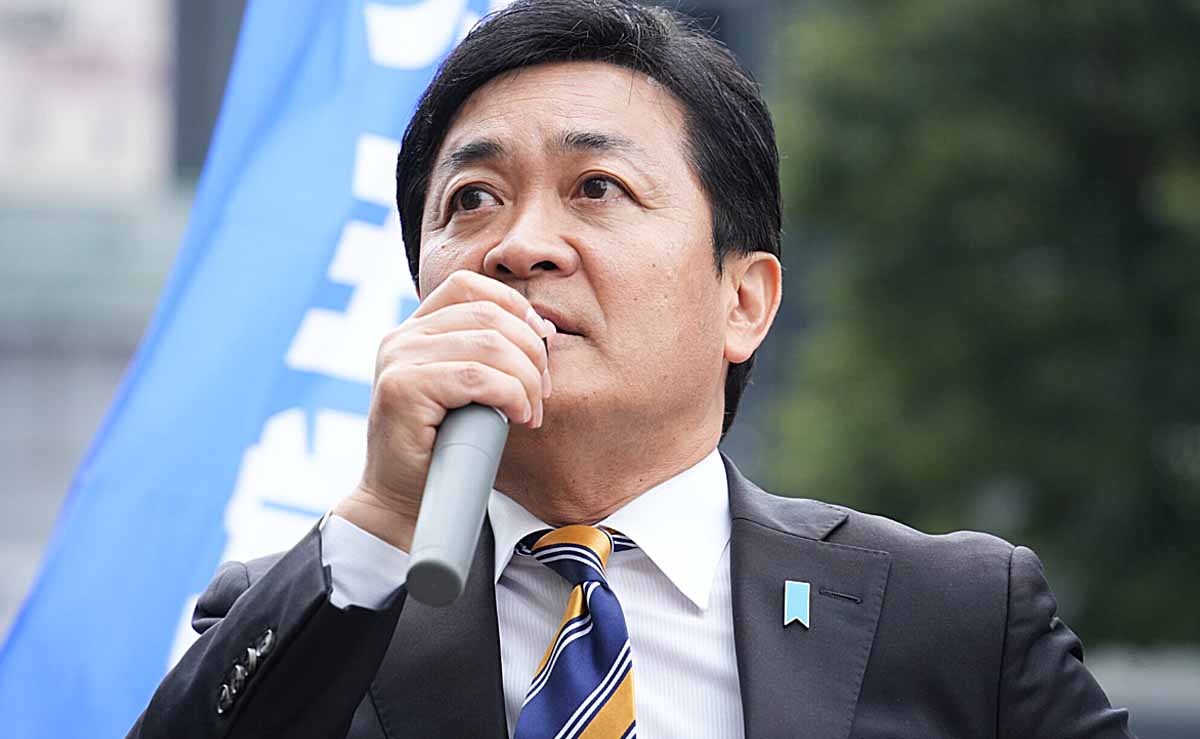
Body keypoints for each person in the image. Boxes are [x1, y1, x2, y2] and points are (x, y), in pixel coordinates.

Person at [130, 1, 1133, 737]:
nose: (521, 245)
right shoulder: (317, 613)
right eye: (472, 199)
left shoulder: (954, 616)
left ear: (744, 301)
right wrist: (385, 513)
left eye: (597, 187)